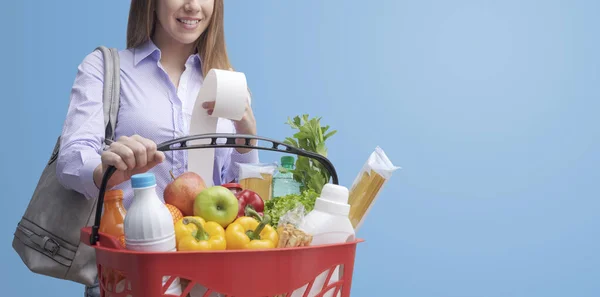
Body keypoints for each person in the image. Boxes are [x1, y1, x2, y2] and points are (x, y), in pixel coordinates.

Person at [55, 1, 258, 296]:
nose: (193, 6)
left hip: (208, 277)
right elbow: (71, 160)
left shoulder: (227, 82)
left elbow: (239, 193)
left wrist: (247, 137)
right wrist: (107, 171)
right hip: (129, 275)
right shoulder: (107, 68)